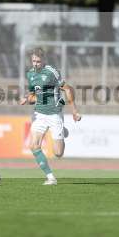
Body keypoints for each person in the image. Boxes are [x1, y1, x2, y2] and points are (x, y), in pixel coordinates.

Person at [19, 47, 81, 185]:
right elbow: (33, 94)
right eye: (33, 61)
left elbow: (67, 89)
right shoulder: (30, 74)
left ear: (44, 60)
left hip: (54, 114)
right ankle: (50, 177)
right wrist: (26, 98)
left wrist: (74, 111)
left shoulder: (52, 72)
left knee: (58, 153)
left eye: (38, 61)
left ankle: (62, 131)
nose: (35, 64)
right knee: (34, 145)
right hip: (39, 114)